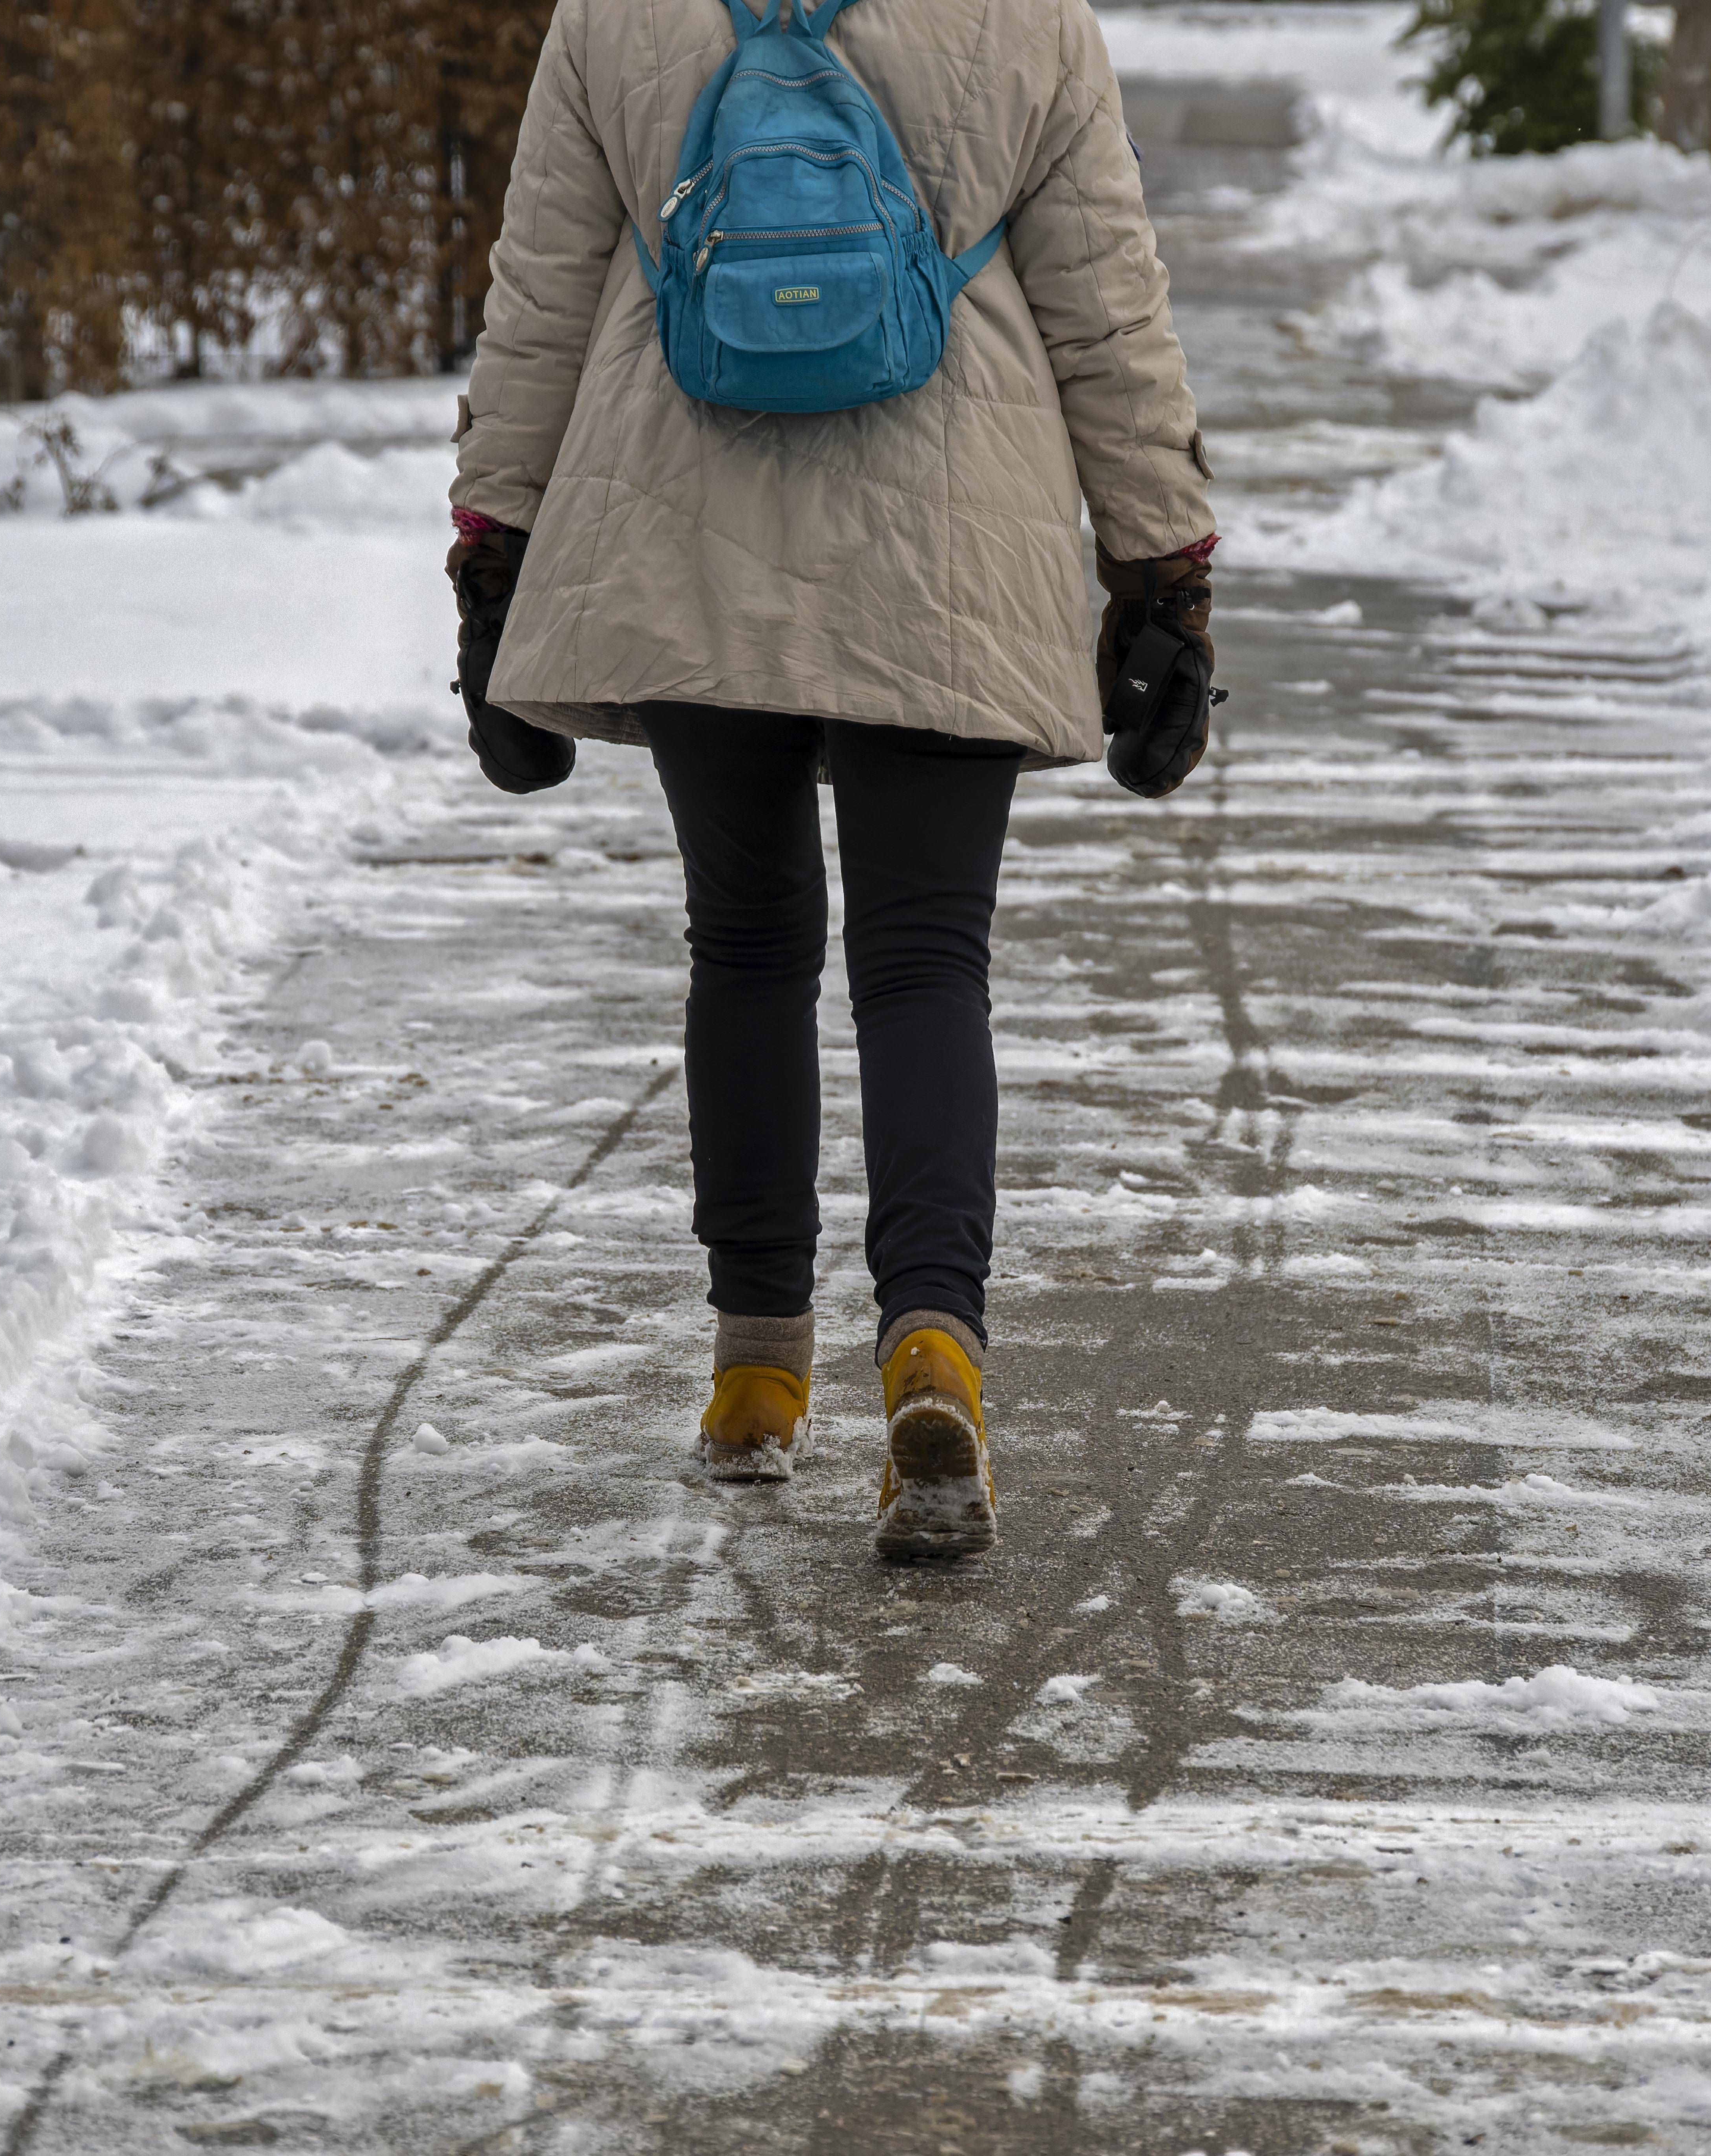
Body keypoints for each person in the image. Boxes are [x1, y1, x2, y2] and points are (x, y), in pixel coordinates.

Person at [445, 0, 1216, 1561]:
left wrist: (491, 554)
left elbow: (538, 294)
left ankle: (753, 1369)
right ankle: (933, 1344)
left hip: (677, 521)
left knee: (743, 942)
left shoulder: (615, 14)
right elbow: (1105, 300)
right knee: (926, 958)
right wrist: (1163, 568)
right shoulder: (1024, 19)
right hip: (946, 528)